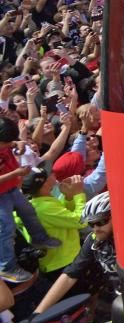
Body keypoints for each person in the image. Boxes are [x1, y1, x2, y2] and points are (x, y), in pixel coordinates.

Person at [0, 118, 61, 284]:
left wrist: (17, 144)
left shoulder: (6, 143)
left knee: (28, 211)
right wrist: (16, 173)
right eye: (4, 143)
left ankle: (39, 238)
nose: (6, 146)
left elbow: (13, 143)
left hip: (11, 188)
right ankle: (7, 267)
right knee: (6, 227)